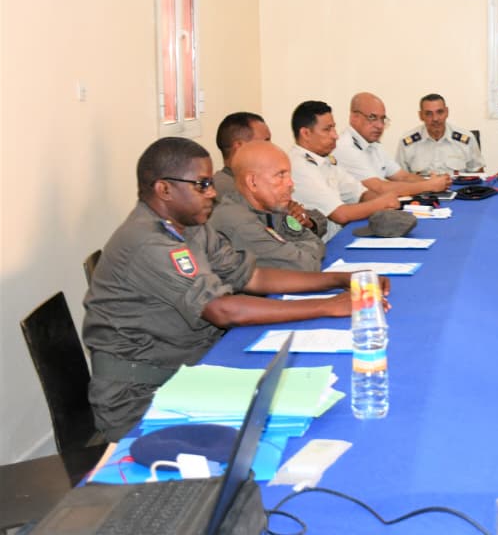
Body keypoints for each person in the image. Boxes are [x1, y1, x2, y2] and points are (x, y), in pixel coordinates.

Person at [81, 137, 385, 440]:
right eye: (202, 185)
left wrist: (342, 279)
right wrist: (327, 306)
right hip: (141, 397)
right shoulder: (150, 242)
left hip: (190, 369)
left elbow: (253, 277)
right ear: (164, 189)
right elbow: (223, 310)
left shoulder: (192, 225)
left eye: (211, 183)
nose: (212, 193)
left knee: (292, 403)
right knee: (276, 428)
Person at [289, 100, 399, 241]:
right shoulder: (299, 166)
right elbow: (341, 215)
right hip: (320, 248)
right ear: (305, 133)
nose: (335, 135)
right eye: (327, 129)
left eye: (334, 128)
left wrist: (382, 200)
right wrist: (382, 202)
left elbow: (359, 193)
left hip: (337, 238)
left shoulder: (326, 160)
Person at [209, 140, 325, 271]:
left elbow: (315, 241)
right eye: (281, 175)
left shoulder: (269, 206)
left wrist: (295, 249)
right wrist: (297, 250)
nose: (290, 183)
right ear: (252, 182)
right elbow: (303, 265)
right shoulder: (236, 221)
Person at [214, 111, 326, 238]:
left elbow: (316, 218)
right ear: (240, 147)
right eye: (266, 141)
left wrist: (306, 220)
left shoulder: (262, 179)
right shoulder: (225, 191)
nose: (271, 146)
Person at [333, 92, 452, 196]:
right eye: (372, 117)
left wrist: (434, 182)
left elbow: (402, 176)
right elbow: (379, 188)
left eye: (382, 119)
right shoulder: (345, 147)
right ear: (354, 117)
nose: (380, 125)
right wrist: (429, 185)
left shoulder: (374, 145)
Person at [396, 93, 484, 175]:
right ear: (421, 115)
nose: (435, 118)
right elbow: (400, 179)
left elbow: (478, 174)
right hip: (422, 187)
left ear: (447, 112)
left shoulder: (467, 139)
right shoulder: (407, 143)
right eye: (429, 114)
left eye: (440, 112)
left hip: (457, 186)